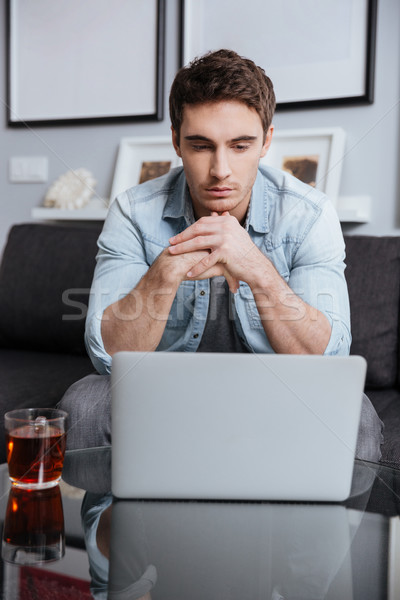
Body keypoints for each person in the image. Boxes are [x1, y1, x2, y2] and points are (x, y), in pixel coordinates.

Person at [60, 49, 383, 460]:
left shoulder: (309, 214)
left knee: (354, 414)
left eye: (240, 145)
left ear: (266, 141)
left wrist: (256, 269)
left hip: (278, 390)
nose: (221, 170)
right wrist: (165, 271)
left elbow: (329, 359)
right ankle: (108, 526)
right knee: (84, 405)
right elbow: (108, 356)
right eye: (200, 145)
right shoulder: (132, 211)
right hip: (161, 390)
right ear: (176, 141)